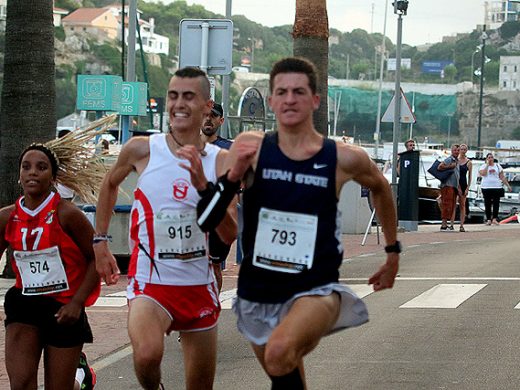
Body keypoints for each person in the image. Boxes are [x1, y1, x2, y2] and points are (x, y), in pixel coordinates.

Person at [195, 57, 400, 389]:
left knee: (279, 353)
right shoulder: (252, 148)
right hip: (258, 289)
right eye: (282, 92)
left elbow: (381, 187)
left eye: (299, 92)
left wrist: (393, 251)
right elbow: (212, 219)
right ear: (272, 100)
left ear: (315, 100)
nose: (290, 99)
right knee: (285, 372)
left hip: (316, 288)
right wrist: (231, 178)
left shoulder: (343, 157)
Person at [93, 67, 237, 390]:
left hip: (198, 285)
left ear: (207, 106)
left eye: (189, 96)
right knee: (146, 355)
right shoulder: (142, 149)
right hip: (151, 285)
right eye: (173, 96)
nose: (179, 103)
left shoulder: (220, 161)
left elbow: (229, 233)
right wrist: (100, 241)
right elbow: (109, 184)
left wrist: (204, 188)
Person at [0, 140, 101, 389]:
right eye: (26, 167)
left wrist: (77, 303)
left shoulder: (67, 214)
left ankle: (81, 376)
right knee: (21, 383)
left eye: (41, 167)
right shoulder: (6, 216)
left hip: (63, 309)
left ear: (53, 176)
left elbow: (96, 257)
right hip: (24, 304)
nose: (32, 172)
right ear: (20, 174)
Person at [201, 102, 234, 280]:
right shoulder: (187, 147)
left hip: (220, 218)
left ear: (220, 121)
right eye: (205, 115)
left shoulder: (229, 148)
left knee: (214, 267)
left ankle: (214, 305)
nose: (208, 119)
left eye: (213, 116)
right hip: (192, 215)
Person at [479, 152, 511, 225]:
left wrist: (508, 185)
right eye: (489, 157)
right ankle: (488, 219)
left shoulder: (497, 166)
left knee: (496, 203)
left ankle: (494, 218)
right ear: (487, 159)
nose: (490, 159)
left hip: (496, 186)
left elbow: (502, 177)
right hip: (486, 187)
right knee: (487, 203)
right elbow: (483, 174)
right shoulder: (483, 166)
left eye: (491, 157)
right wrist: (487, 165)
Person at [438, 144, 460, 231]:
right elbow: (440, 167)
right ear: (452, 151)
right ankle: (443, 225)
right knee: (446, 204)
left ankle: (446, 224)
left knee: (451, 205)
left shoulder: (456, 160)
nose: (457, 152)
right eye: (455, 150)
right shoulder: (449, 159)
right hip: (447, 185)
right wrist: (450, 166)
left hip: (453, 186)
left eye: (458, 150)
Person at [451, 143, 472, 232]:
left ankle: (461, 225)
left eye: (464, 149)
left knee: (462, 205)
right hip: (455, 183)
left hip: (463, 183)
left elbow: (470, 176)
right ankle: (451, 224)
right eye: (461, 149)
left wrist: (467, 188)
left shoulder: (469, 162)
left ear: (466, 150)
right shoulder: (456, 161)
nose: (462, 151)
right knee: (453, 204)